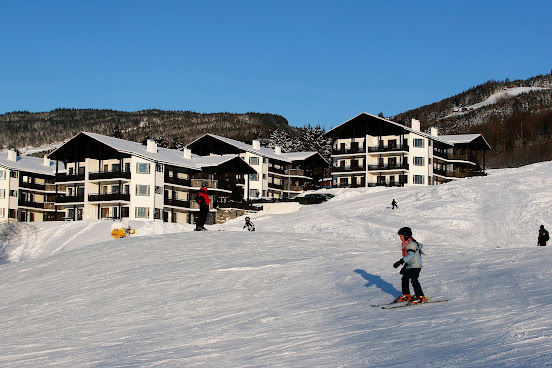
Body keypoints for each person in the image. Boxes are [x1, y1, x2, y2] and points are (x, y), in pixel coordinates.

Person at [392, 227, 427, 304]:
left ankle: (421, 297)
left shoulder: (410, 244)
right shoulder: (408, 243)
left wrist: (400, 261)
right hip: (410, 265)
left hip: (415, 265)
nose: (400, 238)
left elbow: (410, 256)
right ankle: (406, 295)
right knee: (404, 278)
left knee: (414, 280)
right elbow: (420, 245)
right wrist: (405, 266)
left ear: (406, 236)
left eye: (401, 236)